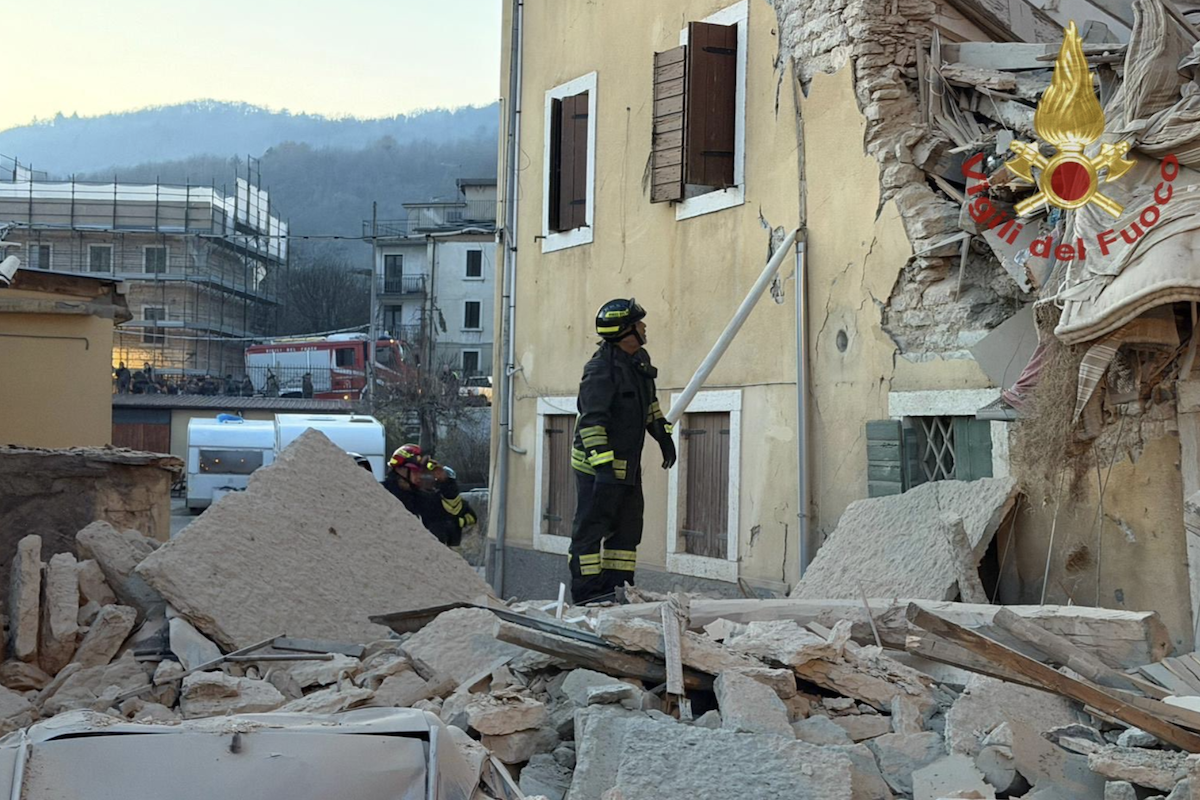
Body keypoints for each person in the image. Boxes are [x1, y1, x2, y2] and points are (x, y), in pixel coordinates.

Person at [568, 298, 675, 605]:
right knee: (590, 532)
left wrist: (661, 433)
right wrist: (603, 470)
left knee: (627, 531)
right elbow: (591, 424)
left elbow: (649, 404)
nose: (644, 327)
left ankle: (618, 591)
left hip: (627, 464)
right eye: (639, 323)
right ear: (625, 332)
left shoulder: (638, 359)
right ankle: (588, 596)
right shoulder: (600, 371)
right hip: (596, 469)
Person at [383, 444, 477, 546]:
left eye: (422, 471)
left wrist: (446, 482)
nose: (420, 475)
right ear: (401, 469)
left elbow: (457, 511)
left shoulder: (424, 500)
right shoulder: (380, 494)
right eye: (416, 471)